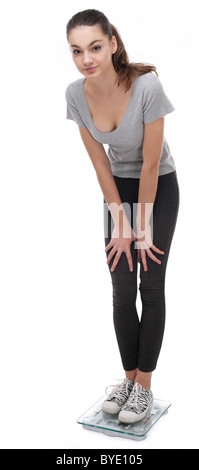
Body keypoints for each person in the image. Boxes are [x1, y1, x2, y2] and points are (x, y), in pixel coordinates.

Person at [65, 9, 180, 424]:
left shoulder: (147, 86)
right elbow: (100, 163)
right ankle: (128, 380)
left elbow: (150, 165)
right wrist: (120, 222)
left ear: (112, 43)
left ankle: (144, 388)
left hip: (158, 186)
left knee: (150, 284)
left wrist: (142, 227)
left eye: (95, 47)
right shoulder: (75, 95)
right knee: (119, 285)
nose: (87, 59)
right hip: (117, 189)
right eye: (77, 51)